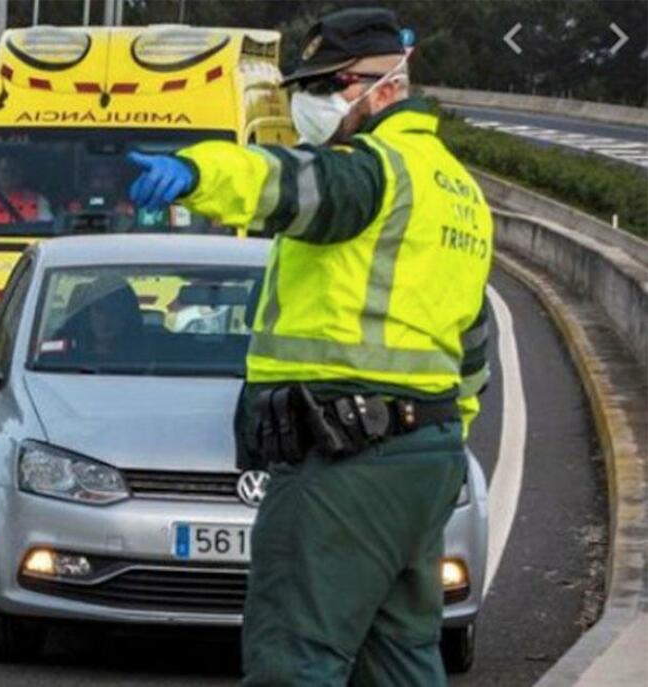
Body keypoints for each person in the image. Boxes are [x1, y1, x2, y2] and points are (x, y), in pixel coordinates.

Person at [127, 9, 492, 686]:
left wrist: (197, 171)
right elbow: (472, 347)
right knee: (400, 662)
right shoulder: (458, 192)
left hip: (345, 461)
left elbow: (286, 184)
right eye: (307, 85)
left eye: (330, 84)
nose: (311, 103)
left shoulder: (368, 173)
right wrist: (436, 448)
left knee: (292, 660)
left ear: (385, 85)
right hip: (423, 458)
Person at [0, 153, 52, 223]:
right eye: (4, 171)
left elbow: (46, 229)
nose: (9, 175)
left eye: (13, 171)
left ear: (21, 174)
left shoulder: (38, 201)